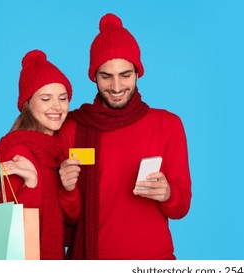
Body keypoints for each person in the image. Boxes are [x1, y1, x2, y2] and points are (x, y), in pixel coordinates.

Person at [58, 13, 192, 260]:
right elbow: (70, 218)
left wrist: (168, 194)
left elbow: (181, 206)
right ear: (94, 76)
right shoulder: (73, 128)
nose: (117, 87)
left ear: (138, 73)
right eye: (106, 76)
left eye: (125, 75)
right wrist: (67, 189)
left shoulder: (167, 125)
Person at [0, 49, 80, 260]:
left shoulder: (57, 153)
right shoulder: (18, 151)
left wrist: (69, 189)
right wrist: (31, 184)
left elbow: (71, 221)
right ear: (27, 104)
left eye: (63, 98)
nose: (57, 107)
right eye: (45, 98)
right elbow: (9, 229)